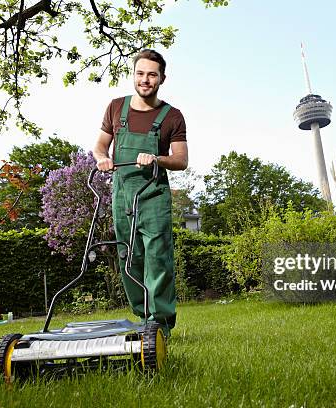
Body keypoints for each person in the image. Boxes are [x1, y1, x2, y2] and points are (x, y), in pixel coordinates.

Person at [93, 49, 188, 337]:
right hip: (122, 193)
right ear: (134, 75)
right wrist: (101, 159)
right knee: (128, 255)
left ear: (162, 78)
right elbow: (100, 146)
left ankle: (159, 324)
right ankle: (142, 316)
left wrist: (156, 158)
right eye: (141, 73)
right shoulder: (115, 108)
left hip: (153, 195)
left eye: (152, 75)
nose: (145, 80)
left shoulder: (172, 116)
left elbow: (181, 160)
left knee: (158, 257)